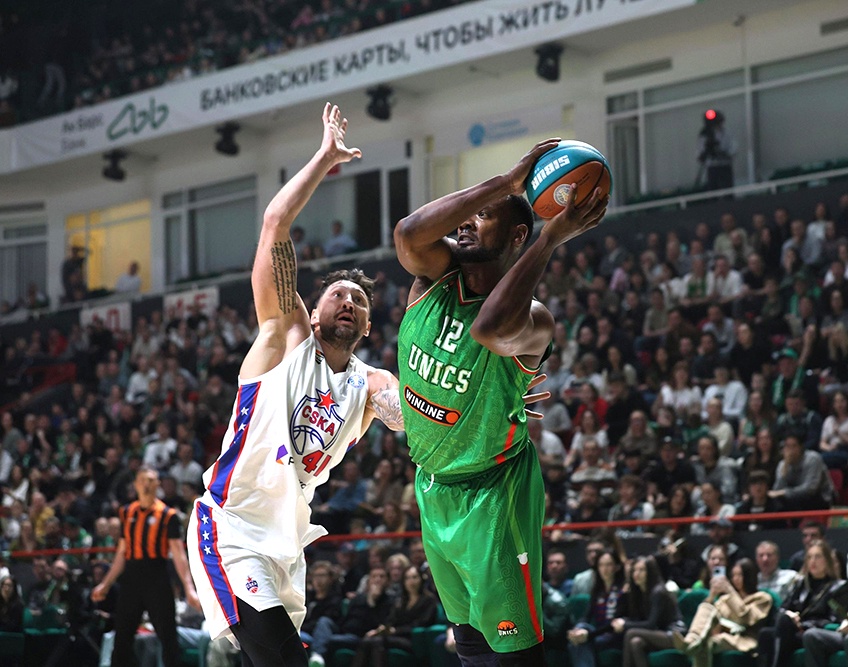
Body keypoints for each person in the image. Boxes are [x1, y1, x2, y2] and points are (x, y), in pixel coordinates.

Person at [184, 104, 405, 667]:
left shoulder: (370, 381)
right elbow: (274, 225)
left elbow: (407, 414)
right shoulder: (285, 336)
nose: (348, 302)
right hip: (231, 526)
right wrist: (325, 159)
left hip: (287, 543)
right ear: (314, 309)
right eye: (338, 294)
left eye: (359, 300)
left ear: (368, 326)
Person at [394, 134, 608, 665]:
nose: (465, 222)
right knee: (468, 642)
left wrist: (551, 237)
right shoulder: (430, 279)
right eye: (467, 213)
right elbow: (407, 233)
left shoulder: (535, 320)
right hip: (432, 487)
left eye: (484, 214)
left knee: (513, 650)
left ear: (517, 235)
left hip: (494, 492)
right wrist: (507, 183)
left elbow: (489, 329)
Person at [91, 466, 200, 667]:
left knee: (168, 637)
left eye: (151, 480)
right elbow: (122, 553)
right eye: (142, 480)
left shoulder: (168, 515)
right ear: (136, 485)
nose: (146, 485)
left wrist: (189, 589)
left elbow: (178, 554)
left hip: (157, 577)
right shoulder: (126, 512)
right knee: (122, 637)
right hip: (131, 578)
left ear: (158, 484)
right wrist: (105, 584)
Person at [757, 540, 848, 667]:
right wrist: (790, 615)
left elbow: (834, 619)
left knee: (784, 624)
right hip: (792, 631)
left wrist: (801, 624)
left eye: (817, 557)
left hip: (814, 632)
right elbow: (782, 608)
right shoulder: (801, 584)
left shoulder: (839, 587)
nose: (813, 561)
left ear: (827, 560)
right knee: (766, 633)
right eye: (809, 557)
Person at [672, 558, 772, 667]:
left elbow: (744, 617)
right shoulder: (725, 599)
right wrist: (712, 595)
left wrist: (729, 590)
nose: (735, 579)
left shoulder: (762, 598)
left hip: (743, 639)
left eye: (740, 575)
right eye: (733, 575)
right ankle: (692, 639)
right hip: (721, 635)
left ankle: (692, 643)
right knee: (706, 615)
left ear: (750, 576)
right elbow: (710, 616)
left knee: (709, 642)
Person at [350, 566, 438, 667]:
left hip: (413, 639)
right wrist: (381, 629)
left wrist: (395, 631)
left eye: (414, 577)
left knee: (378, 641)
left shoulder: (429, 600)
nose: (411, 581)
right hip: (395, 637)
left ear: (421, 579)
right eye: (407, 578)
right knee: (366, 641)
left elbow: (422, 623)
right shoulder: (401, 601)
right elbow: (391, 620)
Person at [620, 556, 684, 667]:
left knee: (631, 633)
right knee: (636, 642)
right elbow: (638, 619)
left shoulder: (658, 592)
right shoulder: (640, 593)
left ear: (650, 572)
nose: (636, 574)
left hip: (675, 635)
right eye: (634, 570)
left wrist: (625, 625)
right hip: (659, 633)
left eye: (641, 570)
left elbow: (650, 624)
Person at [697, 110, 734, 191]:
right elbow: (700, 153)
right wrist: (707, 151)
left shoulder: (726, 133)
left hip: (725, 165)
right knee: (713, 191)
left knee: (727, 190)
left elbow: (733, 148)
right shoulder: (704, 135)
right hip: (712, 166)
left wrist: (724, 153)